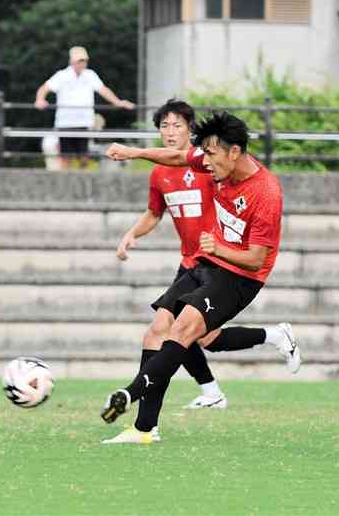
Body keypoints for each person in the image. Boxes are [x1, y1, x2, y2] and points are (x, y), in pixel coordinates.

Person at [100, 112, 301, 441]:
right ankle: (144, 429)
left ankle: (129, 395)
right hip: (207, 263)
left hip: (240, 276)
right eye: (204, 154)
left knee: (183, 331)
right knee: (157, 332)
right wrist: (134, 153)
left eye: (211, 154)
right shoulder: (212, 161)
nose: (205, 162)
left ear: (233, 152)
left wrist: (218, 249)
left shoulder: (266, 193)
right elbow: (180, 156)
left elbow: (255, 259)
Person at [34, 45, 135, 169]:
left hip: (84, 122)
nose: (82, 63)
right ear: (72, 61)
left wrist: (118, 102)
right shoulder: (62, 75)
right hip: (65, 123)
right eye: (79, 61)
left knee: (84, 157)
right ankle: (66, 182)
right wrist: (40, 99)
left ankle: (81, 183)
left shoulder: (90, 75)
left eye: (84, 61)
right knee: (65, 158)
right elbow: (44, 88)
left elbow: (103, 90)